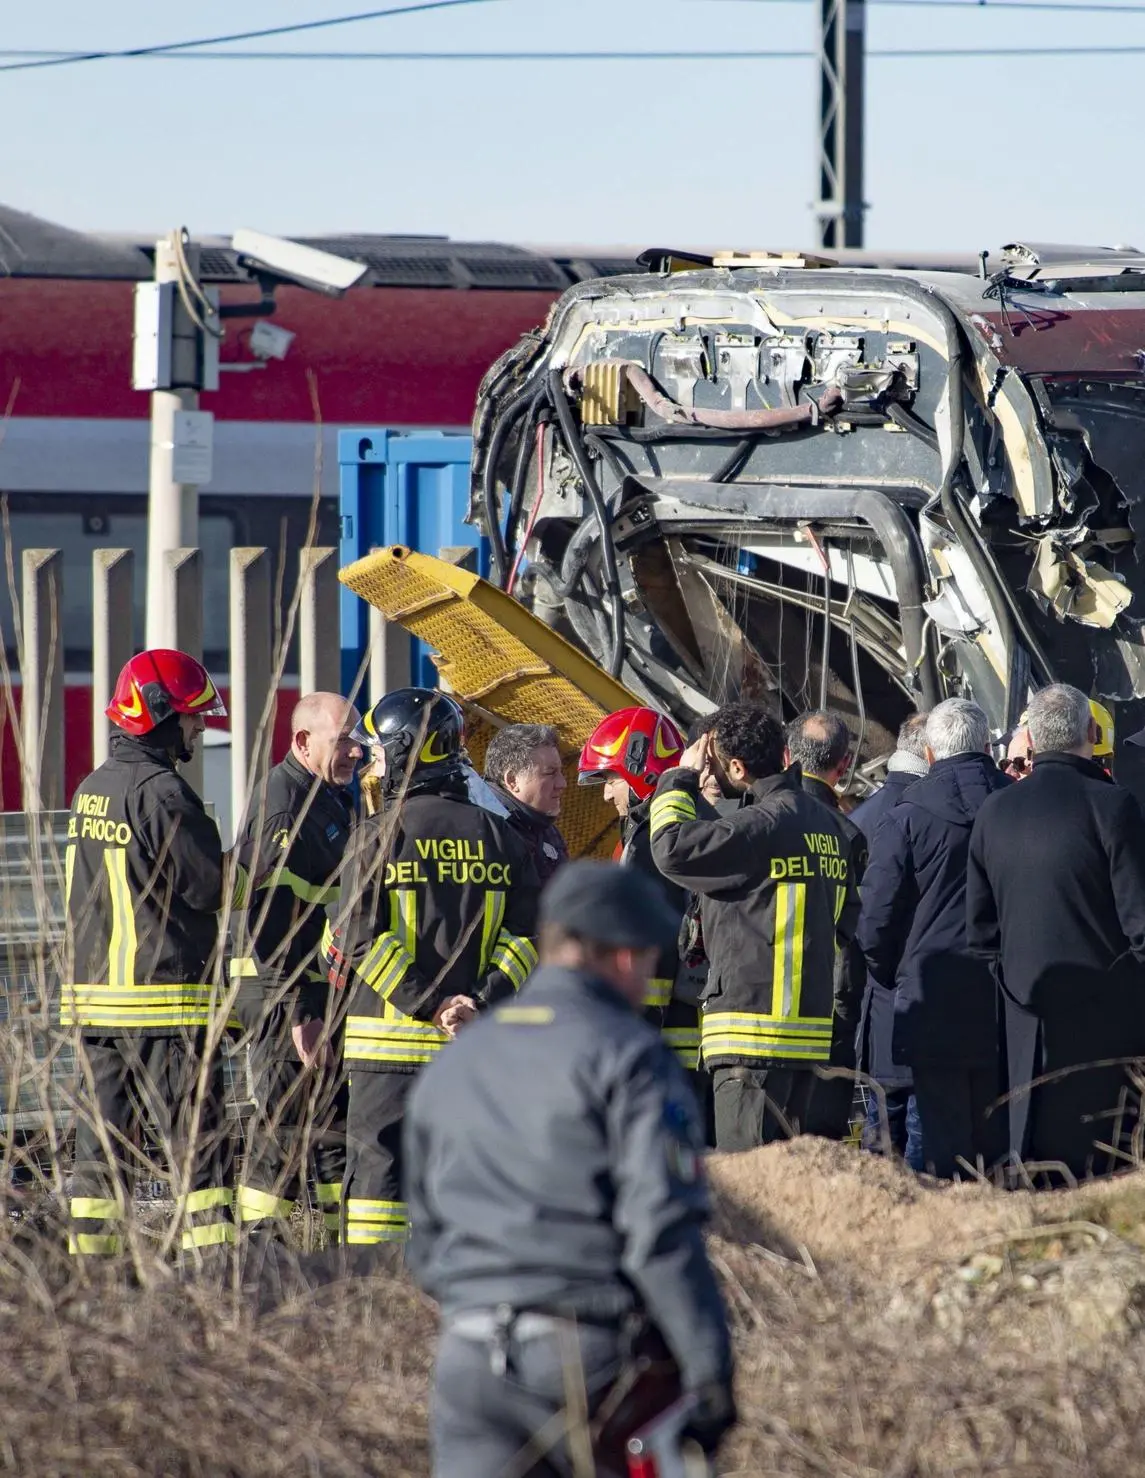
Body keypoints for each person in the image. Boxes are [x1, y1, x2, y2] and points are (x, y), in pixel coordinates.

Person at [405, 860, 735, 1478]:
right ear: (618, 955)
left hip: (468, 1360)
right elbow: (661, 1232)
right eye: (645, 954)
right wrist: (708, 1369)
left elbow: (422, 1243)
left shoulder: (459, 1060)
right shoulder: (628, 1056)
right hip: (584, 1357)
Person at [324, 688, 540, 1250]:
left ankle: (377, 1311)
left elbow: (358, 941)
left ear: (405, 754)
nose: (370, 766)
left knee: (378, 1193)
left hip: (386, 1056)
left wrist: (431, 1005)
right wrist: (477, 1002)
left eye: (378, 753)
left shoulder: (374, 838)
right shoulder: (503, 838)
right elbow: (528, 942)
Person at [61, 649, 249, 1257]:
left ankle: (92, 1286)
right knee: (199, 1153)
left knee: (100, 1157)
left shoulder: (93, 788)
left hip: (94, 1007)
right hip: (164, 1005)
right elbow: (209, 888)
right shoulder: (165, 794)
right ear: (161, 716)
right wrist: (261, 864)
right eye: (192, 717)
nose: (199, 728)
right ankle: (217, 1277)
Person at [650, 703, 860, 1150]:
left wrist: (679, 778)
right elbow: (846, 923)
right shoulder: (828, 825)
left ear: (737, 766)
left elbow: (670, 849)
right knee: (789, 1188)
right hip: (808, 1039)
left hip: (752, 1038)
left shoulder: (759, 826)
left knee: (751, 1190)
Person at [967, 684, 1145, 1181]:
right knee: (1105, 1172)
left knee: (1031, 1174)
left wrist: (1015, 988)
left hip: (1022, 1028)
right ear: (1091, 733)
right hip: (1107, 1030)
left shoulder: (993, 813)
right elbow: (1141, 925)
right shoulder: (1113, 807)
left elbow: (979, 933)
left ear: (1029, 738)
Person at [856, 700, 1009, 1177]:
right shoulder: (1014, 804)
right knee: (997, 1145)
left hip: (929, 994)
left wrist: (893, 976)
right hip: (1008, 1001)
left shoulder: (907, 814)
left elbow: (876, 918)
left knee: (934, 1151)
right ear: (987, 745)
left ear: (927, 750)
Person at [230, 692, 361, 1242]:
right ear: (303, 742)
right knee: (284, 1120)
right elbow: (270, 921)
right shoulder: (285, 807)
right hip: (284, 995)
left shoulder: (329, 797)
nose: (356, 751)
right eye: (344, 740)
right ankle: (262, 1249)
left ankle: (336, 1245)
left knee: (332, 1118)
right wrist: (301, 1011)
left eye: (358, 739)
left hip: (316, 992)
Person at [577, 706, 700, 1075]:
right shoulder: (685, 828)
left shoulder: (649, 844)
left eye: (610, 781)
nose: (605, 795)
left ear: (639, 773)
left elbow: (648, 944)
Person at [784, 710, 868, 1139]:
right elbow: (852, 927)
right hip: (828, 1006)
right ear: (844, 763)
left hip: (766, 1005)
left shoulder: (761, 819)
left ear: (787, 757)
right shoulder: (847, 835)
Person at [849, 711, 929, 1163]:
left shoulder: (861, 817)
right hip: (918, 999)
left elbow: (867, 927)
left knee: (878, 1145)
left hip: (875, 1005)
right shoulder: (924, 812)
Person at [483, 723, 569, 885]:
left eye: (560, 772)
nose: (562, 783)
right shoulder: (485, 832)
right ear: (512, 780)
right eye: (550, 773)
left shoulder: (545, 829)